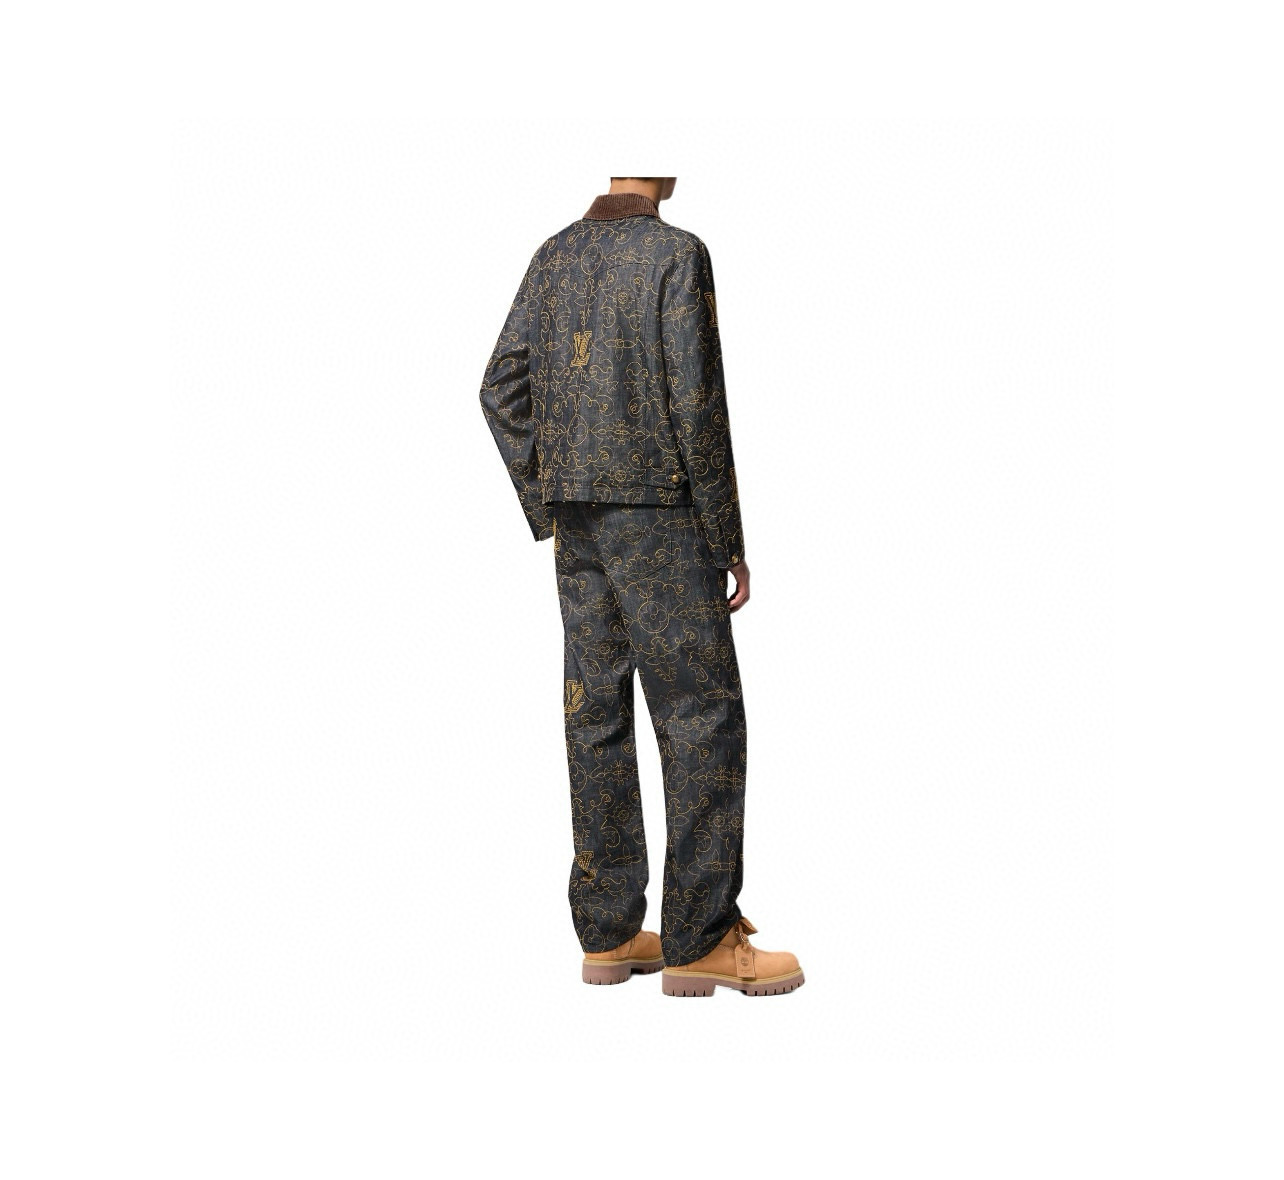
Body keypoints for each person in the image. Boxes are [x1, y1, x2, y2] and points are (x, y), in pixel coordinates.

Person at [479, 177, 803, 997]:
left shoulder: (553, 256)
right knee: (700, 714)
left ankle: (610, 930)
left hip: (579, 519)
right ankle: (700, 936)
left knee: (594, 713)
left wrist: (548, 494)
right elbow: (697, 399)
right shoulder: (675, 255)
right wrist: (726, 538)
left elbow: (500, 385)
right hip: (660, 511)